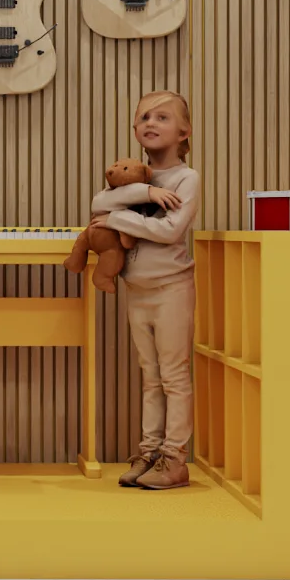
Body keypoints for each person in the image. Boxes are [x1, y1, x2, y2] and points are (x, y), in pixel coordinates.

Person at [89, 91, 200, 490]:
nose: (151, 123)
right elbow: (97, 202)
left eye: (163, 117)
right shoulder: (137, 177)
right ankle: (149, 451)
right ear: (135, 129)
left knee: (174, 376)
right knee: (150, 377)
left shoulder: (186, 178)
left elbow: (170, 231)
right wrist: (146, 194)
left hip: (171, 289)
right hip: (136, 289)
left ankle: (175, 459)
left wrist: (117, 219)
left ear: (184, 131)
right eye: (144, 118)